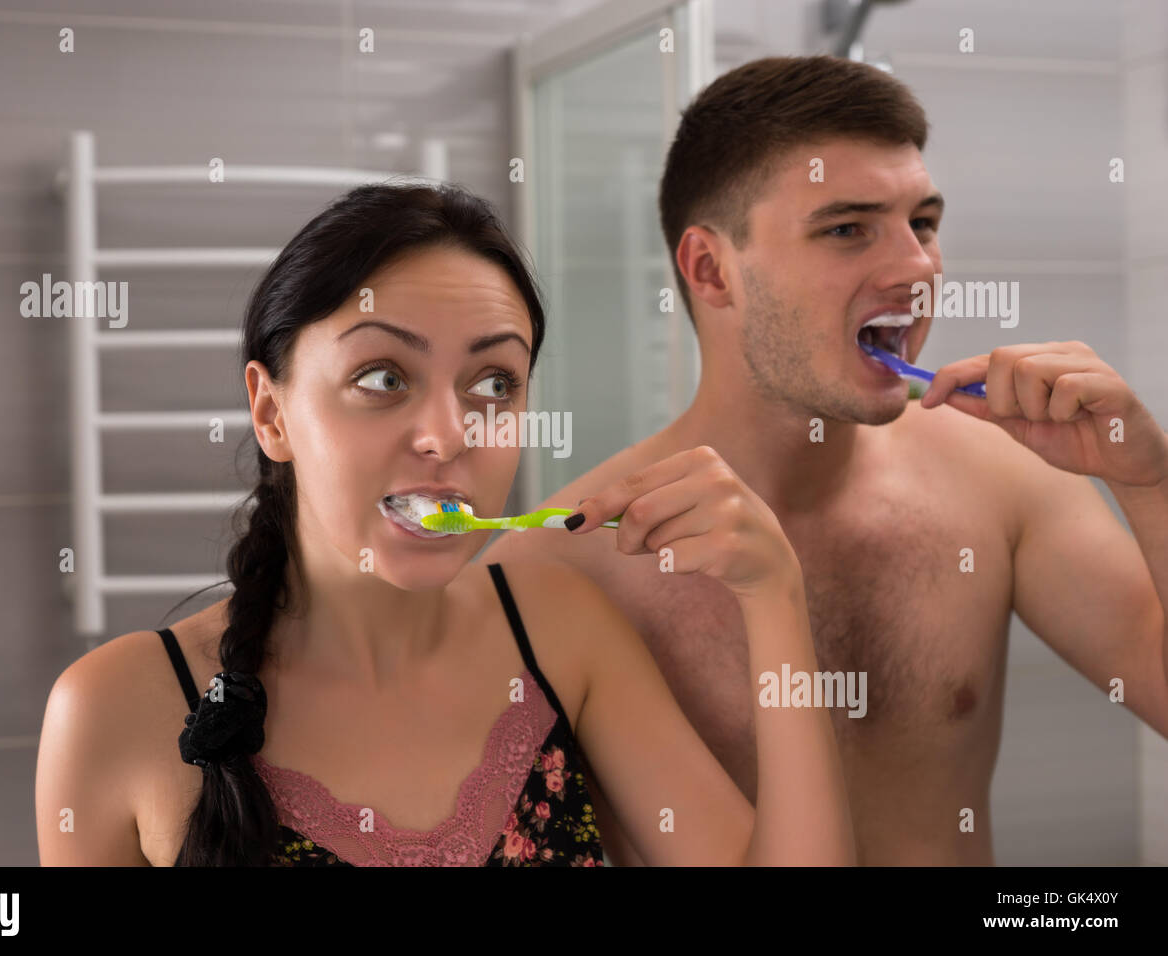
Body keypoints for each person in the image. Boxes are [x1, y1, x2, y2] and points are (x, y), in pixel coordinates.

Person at [34, 182, 854, 866]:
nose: (449, 433)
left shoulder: (561, 635)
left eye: (494, 384)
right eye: (384, 376)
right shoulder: (118, 710)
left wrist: (774, 597)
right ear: (271, 411)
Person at [485, 54, 1168, 866]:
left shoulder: (996, 475)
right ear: (711, 270)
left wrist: (1149, 481)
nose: (917, 266)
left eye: (923, 222)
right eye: (847, 228)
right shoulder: (564, 566)